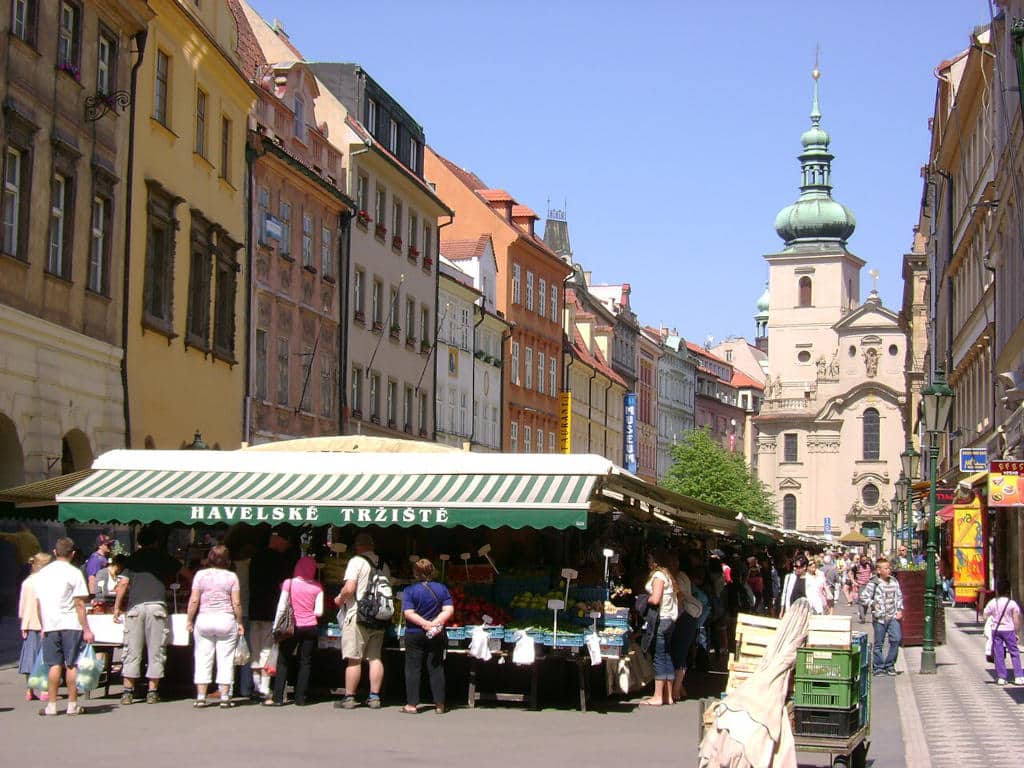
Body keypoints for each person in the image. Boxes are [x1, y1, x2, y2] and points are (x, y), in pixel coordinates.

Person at [114, 526, 180, 705]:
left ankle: (127, 692)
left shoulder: (132, 559)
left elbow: (122, 585)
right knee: (156, 650)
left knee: (131, 649)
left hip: (135, 607)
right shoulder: (163, 557)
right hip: (157, 606)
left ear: (139, 542)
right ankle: (152, 691)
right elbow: (183, 572)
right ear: (156, 541)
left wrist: (116, 608)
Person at [33, 537, 95, 716]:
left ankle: (51, 705)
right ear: (73, 554)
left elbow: (38, 603)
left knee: (54, 665)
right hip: (71, 624)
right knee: (71, 664)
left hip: (51, 623)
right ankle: (72, 704)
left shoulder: (43, 574)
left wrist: (43, 624)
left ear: (54, 552)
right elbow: (80, 604)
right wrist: (86, 629)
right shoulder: (74, 573)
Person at [334, 533, 390, 709]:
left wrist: (340, 598)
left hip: (358, 614)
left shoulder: (356, 562)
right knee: (375, 658)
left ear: (358, 547)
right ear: (372, 546)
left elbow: (350, 588)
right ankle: (374, 697)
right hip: (379, 616)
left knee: (354, 658)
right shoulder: (384, 564)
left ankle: (349, 697)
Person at [186, 545, 243, 708]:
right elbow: (236, 602)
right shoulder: (232, 577)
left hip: (204, 618)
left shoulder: (200, 575)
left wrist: (189, 619)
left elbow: (194, 600)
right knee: (226, 659)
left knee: (203, 657)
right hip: (226, 619)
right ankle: (225, 696)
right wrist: (239, 621)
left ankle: (201, 696)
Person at [401, 558, 454, 714]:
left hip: (414, 633)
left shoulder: (410, 591)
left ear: (415, 573)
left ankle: (412, 704)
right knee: (436, 668)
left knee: (413, 668)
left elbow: (408, 613)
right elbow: (448, 610)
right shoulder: (442, 589)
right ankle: (439, 705)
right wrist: (434, 623)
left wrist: (424, 623)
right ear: (432, 571)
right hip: (436, 633)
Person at [247, 528, 294, 702]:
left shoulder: (255, 558)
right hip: (270, 611)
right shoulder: (280, 561)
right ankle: (264, 688)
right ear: (277, 540)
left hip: (254, 609)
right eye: (284, 542)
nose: (286, 546)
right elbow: (283, 587)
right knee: (267, 649)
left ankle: (256, 686)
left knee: (255, 650)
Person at [269, 556, 323, 706]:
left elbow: (281, 606)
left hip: (291, 627)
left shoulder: (289, 583)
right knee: (305, 661)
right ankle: (300, 698)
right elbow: (319, 612)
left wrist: (275, 627)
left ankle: (278, 697)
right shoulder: (317, 587)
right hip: (310, 626)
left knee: (284, 660)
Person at [641, 548, 678, 706]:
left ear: (656, 561)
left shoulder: (658, 576)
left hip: (662, 619)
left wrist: (644, 599)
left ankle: (657, 696)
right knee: (667, 655)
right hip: (670, 620)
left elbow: (656, 599)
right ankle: (668, 696)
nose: (648, 563)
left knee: (658, 657)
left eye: (650, 560)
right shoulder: (668, 575)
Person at [18, 552, 53, 701]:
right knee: (45, 657)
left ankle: (29, 690)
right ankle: (45, 690)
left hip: (29, 622)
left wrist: (23, 624)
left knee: (29, 657)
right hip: (45, 623)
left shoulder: (27, 582)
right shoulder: (46, 581)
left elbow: (22, 605)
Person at [860, 557, 903, 676]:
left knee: (896, 639)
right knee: (879, 643)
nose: (889, 570)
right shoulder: (874, 583)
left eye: (889, 568)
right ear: (879, 570)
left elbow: (899, 596)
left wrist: (899, 610)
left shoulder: (894, 581)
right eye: (886, 568)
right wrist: (873, 604)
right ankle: (878, 667)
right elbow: (863, 597)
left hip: (893, 616)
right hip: (879, 618)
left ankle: (889, 665)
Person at [671, 561, 701, 701]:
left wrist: (677, 614)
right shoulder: (682, 575)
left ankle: (676, 690)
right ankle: (679, 687)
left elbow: (680, 596)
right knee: (680, 651)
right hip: (689, 616)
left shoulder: (677, 577)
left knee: (679, 652)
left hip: (684, 616)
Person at [983, 578, 1022, 685]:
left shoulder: (993, 602)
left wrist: (993, 619)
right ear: (1008, 591)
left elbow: (985, 616)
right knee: (1014, 652)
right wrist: (1017, 633)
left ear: (998, 590)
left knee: (998, 654)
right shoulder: (1012, 604)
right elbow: (1016, 619)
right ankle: (1018, 676)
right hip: (1009, 630)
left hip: (996, 630)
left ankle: (1002, 677)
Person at [851, 555, 874, 622]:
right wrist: (853, 582)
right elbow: (850, 573)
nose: (864, 561)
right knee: (861, 601)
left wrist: (871, 579)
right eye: (863, 560)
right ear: (860, 560)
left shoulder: (869, 565)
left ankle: (862, 615)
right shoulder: (857, 566)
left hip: (868, 585)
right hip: (861, 585)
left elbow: (873, 572)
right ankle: (863, 618)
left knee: (866, 602)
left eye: (865, 560)